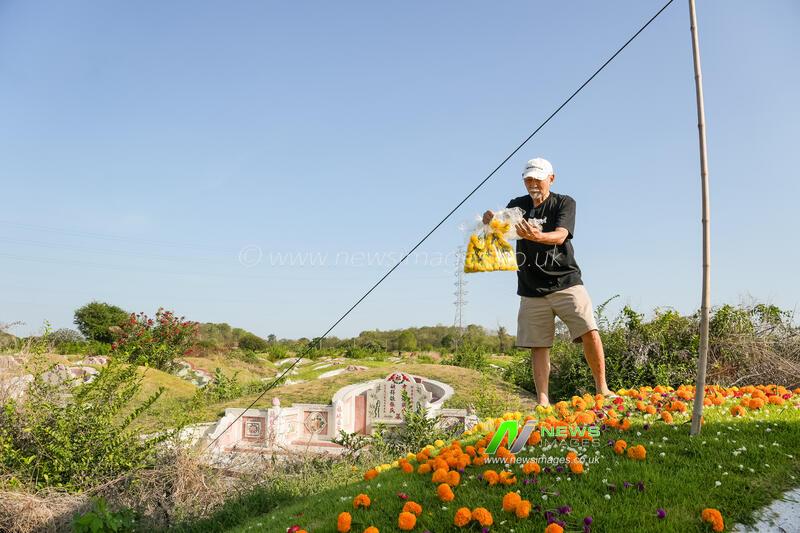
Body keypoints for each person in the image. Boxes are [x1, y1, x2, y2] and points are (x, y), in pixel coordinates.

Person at [483, 157, 612, 406]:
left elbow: (561, 235)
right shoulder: (517, 205)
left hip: (566, 281)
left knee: (589, 330)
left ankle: (602, 388)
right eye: (528, 179)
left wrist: (539, 236)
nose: (533, 184)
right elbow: (502, 229)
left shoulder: (564, 202)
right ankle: (543, 400)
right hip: (531, 288)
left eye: (538, 179)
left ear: (550, 179)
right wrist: (490, 222)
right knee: (538, 345)